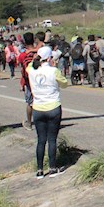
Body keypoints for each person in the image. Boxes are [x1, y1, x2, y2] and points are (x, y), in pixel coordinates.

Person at [27, 46, 69, 177]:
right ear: (50, 58)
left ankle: (39, 170)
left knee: (41, 140)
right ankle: (52, 168)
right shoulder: (54, 71)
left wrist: (36, 56)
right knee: (52, 139)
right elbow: (65, 84)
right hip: (53, 107)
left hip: (38, 108)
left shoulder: (32, 70)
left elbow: (30, 65)